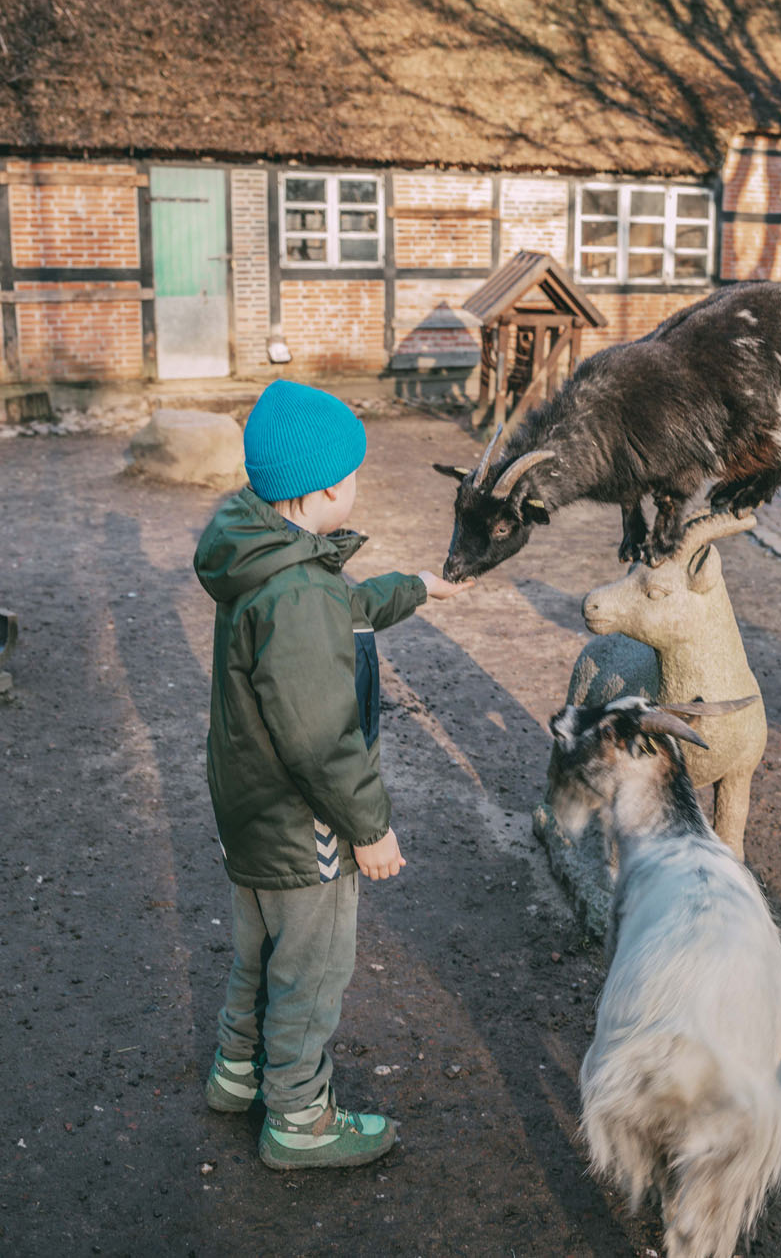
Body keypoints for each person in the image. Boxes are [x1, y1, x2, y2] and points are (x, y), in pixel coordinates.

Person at [195, 379, 472, 1169]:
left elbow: (341, 604)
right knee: (311, 971)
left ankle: (236, 1070)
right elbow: (321, 739)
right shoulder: (297, 592)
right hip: (302, 826)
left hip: (250, 816)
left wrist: (419, 589)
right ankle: (299, 1120)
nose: (356, 487)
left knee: (258, 951)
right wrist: (371, 827)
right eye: (351, 476)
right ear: (323, 489)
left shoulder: (262, 559)